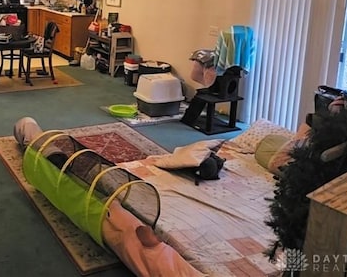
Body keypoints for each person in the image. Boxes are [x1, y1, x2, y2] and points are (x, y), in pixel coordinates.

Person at [13, 117, 206, 277]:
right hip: (114, 226)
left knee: (64, 169)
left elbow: (147, 239)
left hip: (113, 220)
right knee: (65, 168)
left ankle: (28, 131)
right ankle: (33, 136)